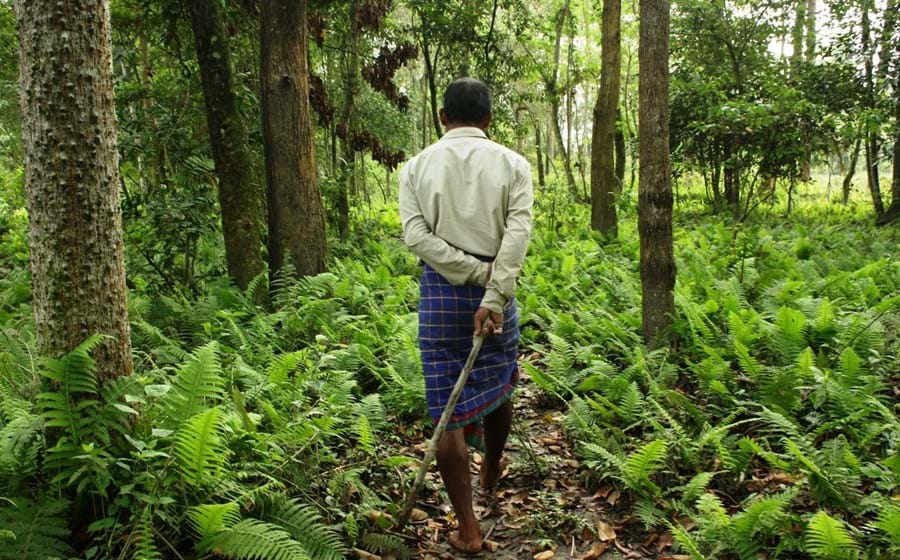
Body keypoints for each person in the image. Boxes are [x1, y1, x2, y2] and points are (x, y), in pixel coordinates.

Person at [399, 77, 534, 553]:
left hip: (440, 295)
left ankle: (468, 530)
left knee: (445, 410)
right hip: (495, 296)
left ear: (441, 117)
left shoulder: (415, 167)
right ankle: (492, 467)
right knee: (499, 383)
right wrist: (492, 290)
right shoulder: (514, 165)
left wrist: (468, 272)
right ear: (488, 119)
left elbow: (416, 237)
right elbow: (516, 237)